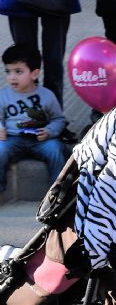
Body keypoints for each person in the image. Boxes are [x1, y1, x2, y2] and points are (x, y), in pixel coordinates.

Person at [0, 43, 67, 195]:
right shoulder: (3, 96)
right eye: (8, 71)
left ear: (34, 74)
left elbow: (59, 119)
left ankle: (57, 193)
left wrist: (49, 131)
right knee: (0, 150)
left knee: (55, 149)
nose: (12, 77)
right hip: (12, 139)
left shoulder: (47, 95)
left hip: (40, 140)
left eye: (18, 71)